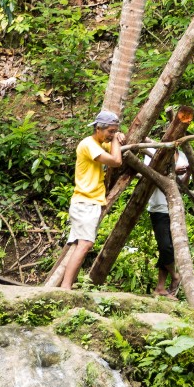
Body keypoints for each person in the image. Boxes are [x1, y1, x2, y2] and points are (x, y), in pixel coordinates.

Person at [47, 111, 124, 290]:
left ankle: (67, 285)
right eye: (110, 131)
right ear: (98, 128)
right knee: (85, 244)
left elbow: (116, 149)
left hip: (90, 201)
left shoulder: (98, 143)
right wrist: (115, 140)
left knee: (80, 245)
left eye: (114, 131)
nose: (112, 135)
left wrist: (117, 138)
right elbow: (116, 160)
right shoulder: (89, 145)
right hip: (85, 202)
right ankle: (65, 287)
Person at [148, 146, 192, 296]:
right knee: (165, 247)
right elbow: (148, 175)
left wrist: (189, 172)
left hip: (174, 208)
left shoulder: (183, 158)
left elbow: (183, 185)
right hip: (159, 208)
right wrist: (171, 172)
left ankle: (160, 287)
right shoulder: (154, 153)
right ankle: (175, 276)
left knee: (168, 249)